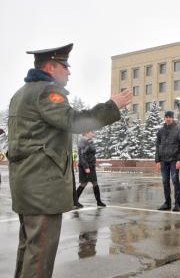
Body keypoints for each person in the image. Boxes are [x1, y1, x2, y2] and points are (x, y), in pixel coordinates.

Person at [7, 43, 132, 278]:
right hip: (42, 190)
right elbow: (75, 121)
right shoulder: (46, 92)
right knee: (39, 259)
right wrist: (112, 106)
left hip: (27, 187)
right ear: (51, 66)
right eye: (65, 66)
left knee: (29, 251)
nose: (69, 71)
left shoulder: (21, 93)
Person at [155, 110, 180, 212]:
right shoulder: (160, 131)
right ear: (164, 118)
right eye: (166, 117)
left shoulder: (179, 130)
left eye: (170, 117)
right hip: (163, 160)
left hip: (174, 160)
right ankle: (167, 203)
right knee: (165, 182)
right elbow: (157, 146)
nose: (168, 119)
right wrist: (157, 160)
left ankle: (177, 204)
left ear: (173, 118)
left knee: (175, 181)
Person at [75, 131, 106, 207]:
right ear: (86, 133)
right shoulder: (82, 142)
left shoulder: (90, 142)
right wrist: (86, 167)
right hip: (84, 166)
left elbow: (91, 154)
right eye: (91, 132)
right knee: (83, 183)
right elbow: (81, 156)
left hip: (91, 166)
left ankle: (99, 201)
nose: (93, 133)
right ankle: (74, 201)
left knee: (95, 182)